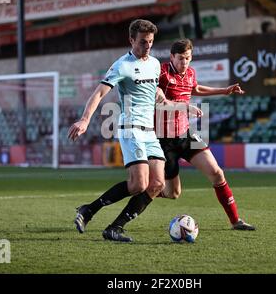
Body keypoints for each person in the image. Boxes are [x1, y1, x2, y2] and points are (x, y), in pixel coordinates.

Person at [67, 20, 201, 242]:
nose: (147, 46)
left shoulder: (156, 64)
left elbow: (158, 98)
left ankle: (114, 228)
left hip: (149, 131)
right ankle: (89, 210)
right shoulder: (122, 65)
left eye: (150, 42)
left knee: (157, 184)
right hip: (130, 129)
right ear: (131, 40)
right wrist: (84, 120)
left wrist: (184, 106)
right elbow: (99, 93)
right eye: (142, 42)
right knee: (138, 184)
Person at [155, 39, 255, 231]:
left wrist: (224, 90)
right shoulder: (161, 72)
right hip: (164, 140)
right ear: (172, 57)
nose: (185, 62)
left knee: (217, 173)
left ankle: (236, 221)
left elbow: (197, 89)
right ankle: (148, 191)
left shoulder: (190, 73)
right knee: (173, 193)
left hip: (185, 134)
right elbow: (155, 96)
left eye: (188, 58)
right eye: (181, 58)